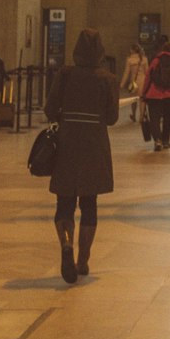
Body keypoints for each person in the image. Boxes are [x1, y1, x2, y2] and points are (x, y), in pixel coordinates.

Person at [44, 28, 120, 283]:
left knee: (64, 203)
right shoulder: (107, 79)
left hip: (67, 143)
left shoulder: (65, 75)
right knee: (89, 204)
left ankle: (66, 244)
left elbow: (50, 108)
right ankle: (83, 260)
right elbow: (111, 118)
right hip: (94, 145)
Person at [140, 39, 170, 151]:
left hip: (154, 94)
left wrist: (144, 93)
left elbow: (148, 76)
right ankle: (166, 140)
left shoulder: (157, 60)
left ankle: (157, 140)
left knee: (155, 119)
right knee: (168, 118)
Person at [119, 42, 149, 123]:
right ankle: (141, 117)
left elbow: (126, 73)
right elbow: (147, 73)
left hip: (133, 83)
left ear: (132, 50)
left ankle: (134, 115)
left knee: (134, 99)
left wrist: (122, 84)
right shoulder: (144, 59)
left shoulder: (129, 60)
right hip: (142, 82)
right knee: (142, 100)